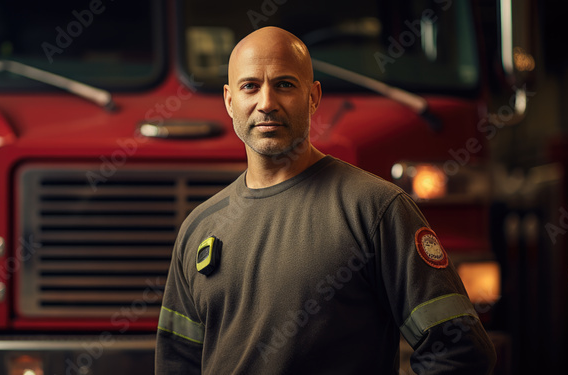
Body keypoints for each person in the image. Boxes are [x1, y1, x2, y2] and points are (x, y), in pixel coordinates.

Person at [155, 26, 496, 374]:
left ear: (314, 97)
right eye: (250, 86)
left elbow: (460, 352)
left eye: (285, 84)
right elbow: (176, 364)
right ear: (230, 101)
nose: (267, 103)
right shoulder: (198, 228)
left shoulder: (376, 210)